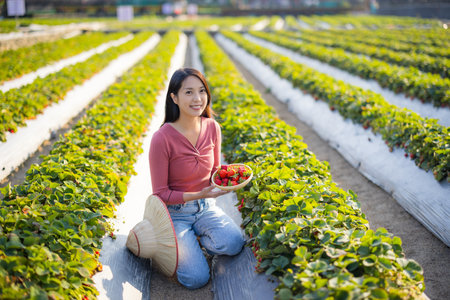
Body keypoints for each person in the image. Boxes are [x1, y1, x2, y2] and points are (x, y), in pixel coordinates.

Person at [149, 67, 245, 289]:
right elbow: (160, 194)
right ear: (174, 97)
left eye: (202, 91)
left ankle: (193, 241)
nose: (198, 98)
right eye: (189, 92)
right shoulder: (162, 138)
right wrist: (198, 193)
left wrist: (231, 177)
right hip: (175, 214)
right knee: (196, 279)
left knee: (234, 243)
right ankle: (171, 245)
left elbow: (214, 171)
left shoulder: (212, 127)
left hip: (205, 207)